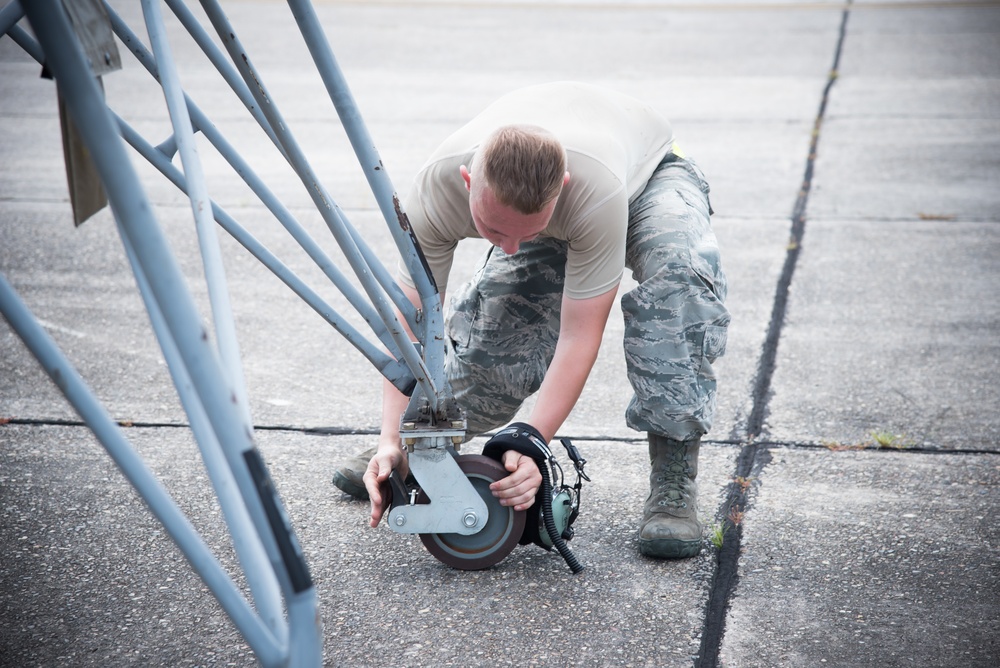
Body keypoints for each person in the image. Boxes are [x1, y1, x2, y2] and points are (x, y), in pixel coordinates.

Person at [333, 81, 729, 559]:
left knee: (678, 278)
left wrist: (532, 440)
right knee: (502, 337)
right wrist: (392, 437)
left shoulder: (591, 190)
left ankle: (673, 473)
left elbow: (581, 331)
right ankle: (421, 445)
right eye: (495, 231)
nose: (512, 247)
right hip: (558, 198)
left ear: (558, 189)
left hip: (648, 177)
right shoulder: (433, 192)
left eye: (529, 232)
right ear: (467, 183)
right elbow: (412, 321)